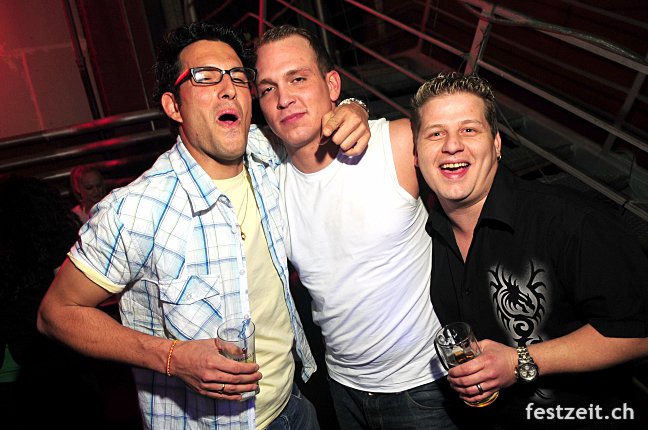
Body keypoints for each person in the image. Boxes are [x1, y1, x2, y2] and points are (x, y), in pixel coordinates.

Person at [37, 22, 370, 430]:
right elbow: (55, 314)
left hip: (294, 408)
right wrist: (172, 358)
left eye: (238, 77)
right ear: (174, 106)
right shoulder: (136, 210)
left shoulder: (266, 155)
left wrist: (355, 107)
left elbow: (315, 112)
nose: (228, 88)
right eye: (205, 77)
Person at [411, 71, 648, 429]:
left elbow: (639, 332)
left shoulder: (570, 221)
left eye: (469, 129)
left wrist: (519, 361)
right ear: (416, 155)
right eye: (435, 133)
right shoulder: (427, 233)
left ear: (497, 145)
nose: (452, 145)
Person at [255, 25, 455, 429]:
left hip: (425, 386)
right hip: (343, 389)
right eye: (268, 88)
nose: (283, 98)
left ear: (332, 85)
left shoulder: (396, 144)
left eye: (298, 79)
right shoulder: (267, 182)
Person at [0, 176, 103, 429]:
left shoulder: (12, 249)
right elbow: (76, 303)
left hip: (17, 365)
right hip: (57, 362)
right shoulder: (55, 240)